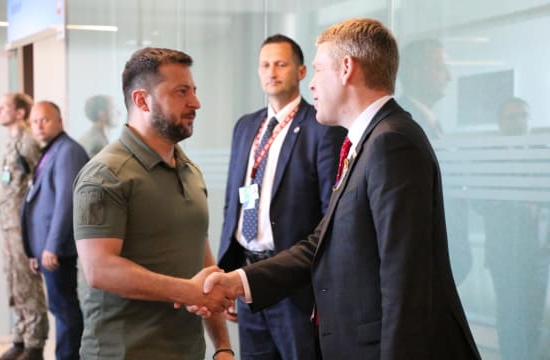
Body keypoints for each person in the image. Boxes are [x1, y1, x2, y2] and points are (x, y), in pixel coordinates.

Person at [202, 18, 482, 359]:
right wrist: (240, 281)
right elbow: (322, 242)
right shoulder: (367, 141)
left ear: (347, 68)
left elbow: (405, 282)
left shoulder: (391, 143)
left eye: (319, 70)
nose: (314, 85)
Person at [72, 47, 234, 360]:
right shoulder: (106, 174)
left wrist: (223, 346)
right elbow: (99, 269)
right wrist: (186, 290)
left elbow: (203, 265)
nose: (195, 103)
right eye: (181, 92)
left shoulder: (189, 170)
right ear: (142, 100)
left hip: (187, 351)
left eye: (194, 91)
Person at [217, 34, 346, 360]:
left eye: (280, 64)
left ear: (301, 72)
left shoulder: (321, 126)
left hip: (295, 288)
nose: (271, 71)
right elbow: (234, 203)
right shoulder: (246, 126)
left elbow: (329, 215)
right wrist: (228, 274)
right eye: (264, 64)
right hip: (248, 280)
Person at [474, 97, 549, 360]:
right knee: (510, 318)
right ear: (500, 123)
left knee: (533, 318)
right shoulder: (490, 159)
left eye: (523, 116)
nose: (519, 121)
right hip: (506, 256)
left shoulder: (541, 156)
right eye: (512, 116)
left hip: (539, 254)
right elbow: (479, 203)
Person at [398, 38, 472, 285]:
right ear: (414, 71)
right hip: (423, 261)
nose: (449, 77)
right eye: (440, 68)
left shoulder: (431, 121)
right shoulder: (403, 121)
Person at [22, 101, 89, 360]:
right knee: (60, 307)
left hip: (57, 249)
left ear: (60, 122)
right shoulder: (51, 150)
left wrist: (52, 246)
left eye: (45, 120)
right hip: (46, 248)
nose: (39, 126)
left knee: (66, 310)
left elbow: (66, 201)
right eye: (34, 121)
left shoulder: (68, 151)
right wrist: (34, 249)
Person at [0, 93, 49, 360]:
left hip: (21, 226)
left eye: (4, 107)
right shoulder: (13, 142)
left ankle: (34, 344)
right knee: (13, 280)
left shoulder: (28, 142)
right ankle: (20, 339)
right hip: (8, 224)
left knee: (27, 283)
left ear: (19, 113)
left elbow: (40, 186)